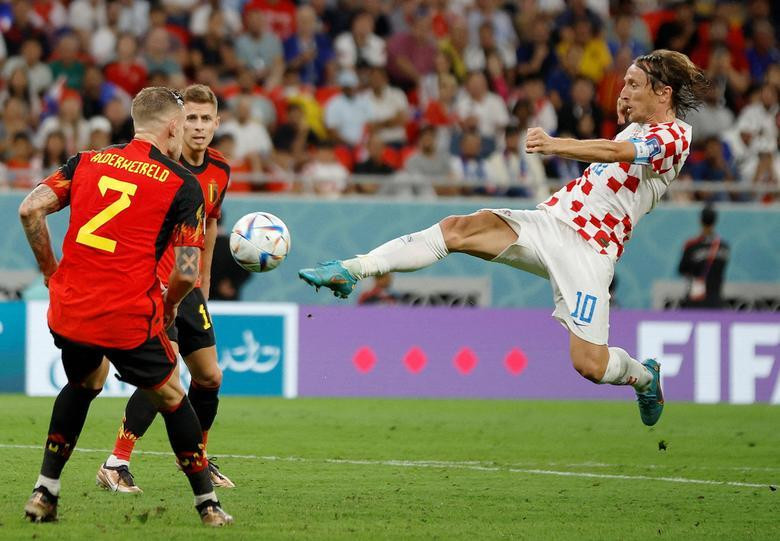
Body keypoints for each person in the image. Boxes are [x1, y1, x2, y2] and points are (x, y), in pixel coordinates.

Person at [299, 50, 709, 427]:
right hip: (551, 222)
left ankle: (643, 376)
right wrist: (628, 106)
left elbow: (618, 153)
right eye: (624, 82)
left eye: (633, 85)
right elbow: (624, 140)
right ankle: (352, 269)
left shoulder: (677, 137)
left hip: (590, 250)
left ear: (663, 92)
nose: (623, 91)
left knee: (590, 365)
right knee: (460, 228)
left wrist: (555, 145)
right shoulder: (640, 124)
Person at [19, 87, 233, 526]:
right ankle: (207, 505)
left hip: (70, 308)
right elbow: (187, 272)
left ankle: (45, 491)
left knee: (85, 383)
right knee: (173, 395)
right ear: (173, 127)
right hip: (127, 313)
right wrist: (172, 305)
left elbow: (29, 210)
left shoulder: (85, 161)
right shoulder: (181, 183)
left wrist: (49, 272)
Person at [96, 85, 234, 494]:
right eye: (190, 118)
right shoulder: (158, 166)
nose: (198, 127)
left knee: (209, 377)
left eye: (205, 119)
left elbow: (210, 224)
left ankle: (196, 458)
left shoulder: (221, 170)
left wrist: (204, 280)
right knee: (166, 369)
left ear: (216, 123)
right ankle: (116, 461)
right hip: (153, 283)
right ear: (176, 123)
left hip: (188, 285)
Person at [678, 205, 730, 308]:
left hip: (695, 301)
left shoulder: (692, 246)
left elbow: (682, 269)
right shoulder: (724, 247)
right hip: (716, 301)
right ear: (715, 221)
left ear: (700, 221)